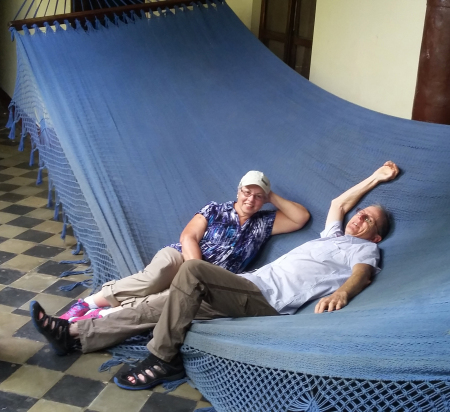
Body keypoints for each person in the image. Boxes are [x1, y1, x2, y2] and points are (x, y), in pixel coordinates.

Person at [30, 161, 399, 391]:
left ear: (376, 235)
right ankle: (74, 335)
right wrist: (374, 178)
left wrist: (344, 295)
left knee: (190, 271)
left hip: (265, 300)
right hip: (238, 286)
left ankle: (162, 357)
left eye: (368, 219)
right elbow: (338, 204)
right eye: (360, 213)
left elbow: (362, 274)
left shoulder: (363, 249)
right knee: (158, 304)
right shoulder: (333, 235)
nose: (359, 217)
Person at [58, 170, 310, 322]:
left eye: (258, 196)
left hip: (213, 280)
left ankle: (104, 316)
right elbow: (188, 236)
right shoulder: (215, 209)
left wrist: (271, 195)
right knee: (156, 275)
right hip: (183, 257)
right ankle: (89, 303)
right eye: (247, 192)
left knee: (168, 299)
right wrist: (194, 266)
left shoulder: (264, 223)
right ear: (238, 191)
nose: (251, 199)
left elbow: (301, 218)